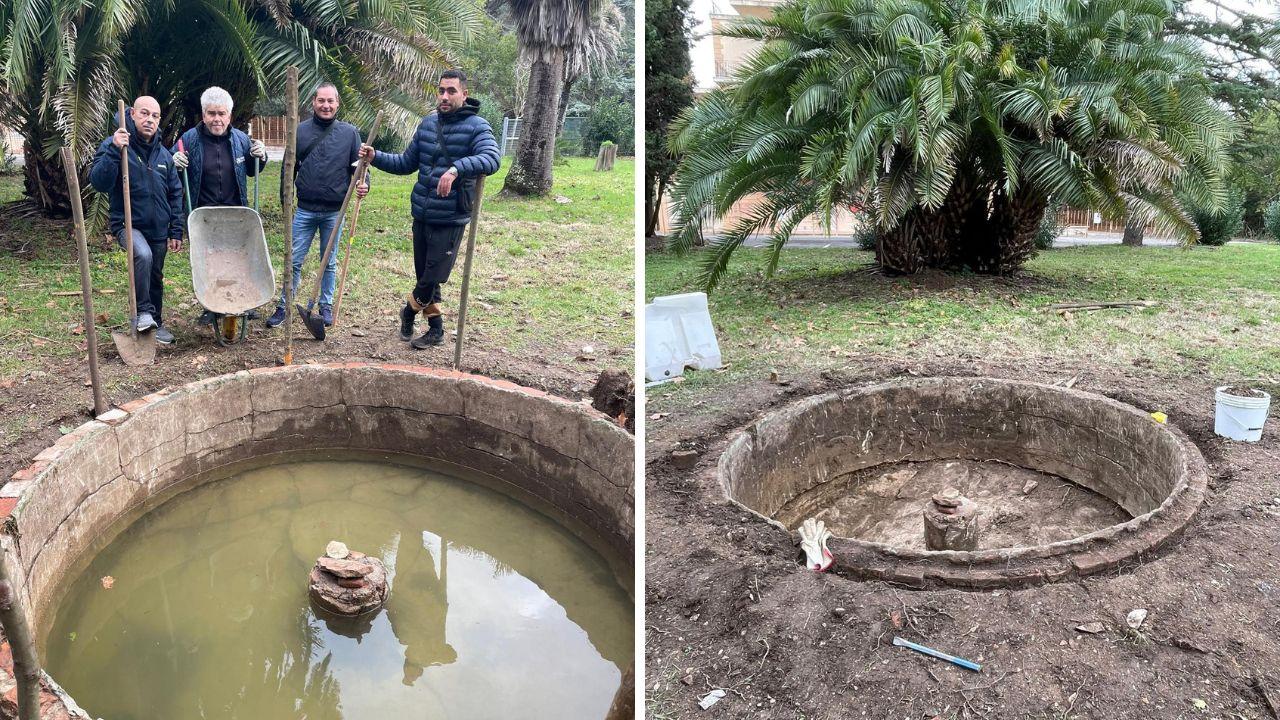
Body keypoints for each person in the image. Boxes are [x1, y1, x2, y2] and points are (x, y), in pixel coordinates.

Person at [359, 69, 500, 348]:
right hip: (421, 213)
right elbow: (406, 163)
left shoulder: (477, 126)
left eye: (451, 91)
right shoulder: (427, 124)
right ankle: (436, 329)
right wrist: (376, 157)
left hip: (450, 217)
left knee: (432, 276)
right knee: (425, 276)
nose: (445, 96)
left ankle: (408, 311)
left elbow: (492, 158)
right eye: (441, 90)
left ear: (464, 94)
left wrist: (456, 169)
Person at [266, 82, 368, 328]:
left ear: (337, 104)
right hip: (305, 210)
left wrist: (364, 185)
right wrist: (285, 202)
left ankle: (325, 305)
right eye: (321, 101)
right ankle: (284, 306)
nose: (326, 105)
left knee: (329, 261)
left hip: (335, 211)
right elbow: (287, 169)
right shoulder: (299, 131)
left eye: (330, 101)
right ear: (313, 102)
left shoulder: (349, 133)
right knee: (294, 260)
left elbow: (360, 167)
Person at [89, 96, 185, 345]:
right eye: (144, 113)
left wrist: (176, 230)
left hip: (158, 227)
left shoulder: (164, 155)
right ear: (131, 114)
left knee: (155, 275)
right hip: (127, 224)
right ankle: (143, 312)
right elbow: (98, 182)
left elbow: (175, 193)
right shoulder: (116, 146)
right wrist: (113, 150)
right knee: (142, 255)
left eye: (155, 116)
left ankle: (157, 322)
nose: (149, 120)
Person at [172, 86, 269, 326]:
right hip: (204, 214)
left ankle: (243, 302)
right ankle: (210, 306)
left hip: (235, 212)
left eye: (221, 114)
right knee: (208, 260)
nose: (217, 119)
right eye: (211, 113)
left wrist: (261, 155)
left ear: (229, 116)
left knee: (236, 257)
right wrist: (174, 160)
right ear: (203, 115)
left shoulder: (240, 140)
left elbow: (251, 169)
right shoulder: (189, 140)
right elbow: (170, 167)